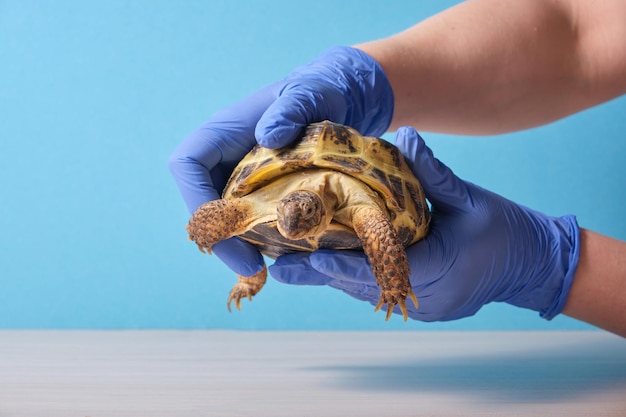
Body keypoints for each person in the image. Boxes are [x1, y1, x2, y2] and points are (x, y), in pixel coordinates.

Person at [169, 0, 626, 337]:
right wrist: (376, 77)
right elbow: (577, 34)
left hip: (364, 197)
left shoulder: (362, 210)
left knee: (378, 236)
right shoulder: (273, 205)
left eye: (301, 217)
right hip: (293, 180)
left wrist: (553, 266)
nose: (293, 226)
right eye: (294, 215)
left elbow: (377, 231)